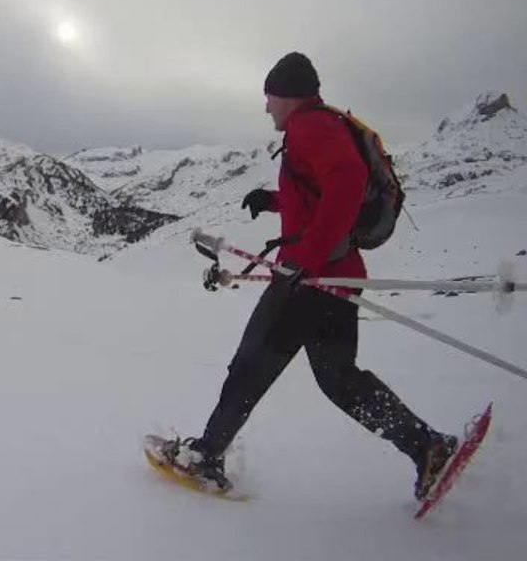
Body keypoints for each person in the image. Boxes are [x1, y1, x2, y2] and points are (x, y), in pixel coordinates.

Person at [162, 52, 456, 500]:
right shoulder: (323, 125)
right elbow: (322, 190)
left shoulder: (309, 127)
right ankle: (427, 446)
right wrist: (276, 199)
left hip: (306, 281)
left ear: (288, 97)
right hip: (338, 280)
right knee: (340, 380)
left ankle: (207, 456)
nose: (266, 108)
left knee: (250, 366)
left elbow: (348, 179)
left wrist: (309, 258)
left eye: (270, 98)